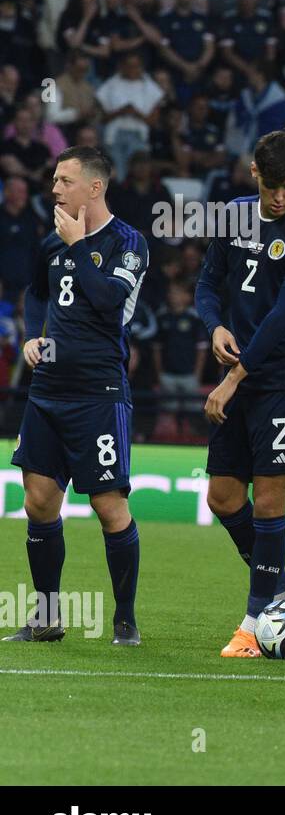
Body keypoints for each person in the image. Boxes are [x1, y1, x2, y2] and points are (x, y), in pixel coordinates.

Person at [195, 130, 285, 658]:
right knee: (224, 497)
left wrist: (234, 377)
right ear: (255, 173)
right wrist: (213, 327)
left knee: (271, 498)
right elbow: (208, 284)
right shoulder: (234, 215)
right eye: (273, 186)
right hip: (240, 370)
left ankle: (254, 624)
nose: (281, 198)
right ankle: (282, 596)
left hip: (282, 378)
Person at [7, 146, 148, 645]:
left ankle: (125, 618)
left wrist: (83, 246)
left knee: (110, 506)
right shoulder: (52, 242)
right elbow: (36, 292)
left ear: (95, 187)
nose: (54, 189)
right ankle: (47, 617)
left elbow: (110, 302)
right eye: (53, 179)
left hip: (99, 392)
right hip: (47, 391)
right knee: (39, 502)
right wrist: (31, 333)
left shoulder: (129, 243)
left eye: (65, 180)